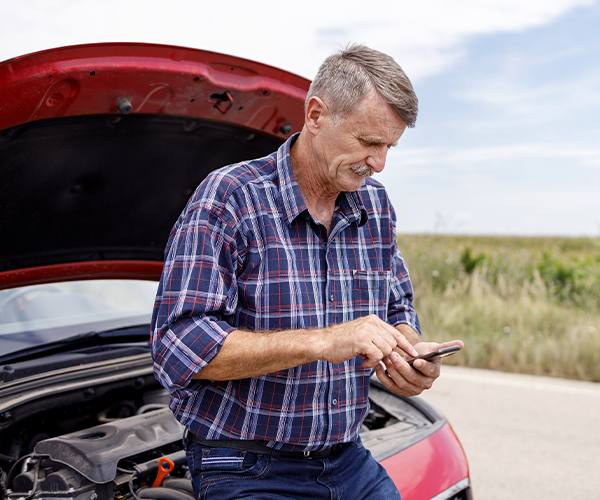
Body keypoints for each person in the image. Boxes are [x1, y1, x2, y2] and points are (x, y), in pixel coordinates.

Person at [151, 44, 463, 500]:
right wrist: (323, 341)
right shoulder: (229, 198)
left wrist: (407, 354)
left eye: (389, 146)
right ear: (316, 115)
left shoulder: (375, 206)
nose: (378, 163)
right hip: (245, 464)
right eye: (368, 142)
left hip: (347, 457)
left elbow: (398, 307)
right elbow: (178, 346)